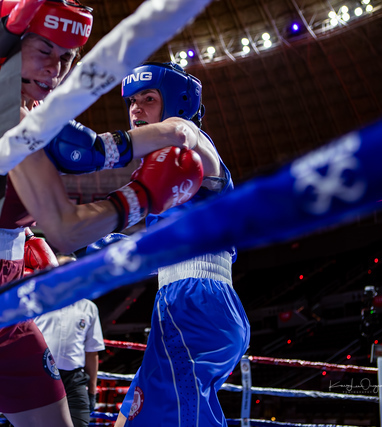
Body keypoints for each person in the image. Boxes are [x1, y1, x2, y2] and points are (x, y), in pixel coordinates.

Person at [0, 0, 206, 425]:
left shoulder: (30, 115)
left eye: (66, 58)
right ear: (11, 45)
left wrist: (24, 240)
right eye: (44, 51)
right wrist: (144, 189)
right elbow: (66, 227)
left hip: (5, 290)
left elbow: (74, 160)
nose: (56, 69)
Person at [112, 63, 251, 426]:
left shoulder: (193, 143)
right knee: (130, 418)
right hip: (185, 301)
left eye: (149, 99)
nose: (136, 109)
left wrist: (98, 149)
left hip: (194, 301)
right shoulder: (169, 173)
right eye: (132, 101)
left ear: (176, 104)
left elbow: (181, 131)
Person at [24, 231, 105, 427]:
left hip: (74, 381)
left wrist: (92, 391)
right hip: (39, 375)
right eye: (61, 268)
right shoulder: (37, 302)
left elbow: (91, 352)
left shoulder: (88, 307)